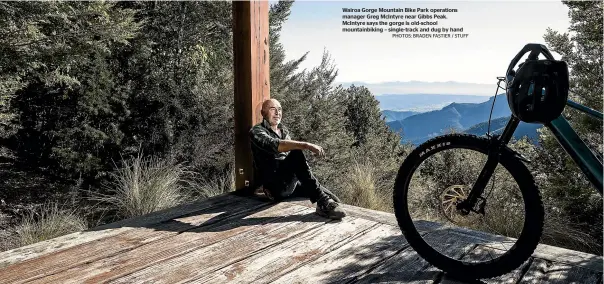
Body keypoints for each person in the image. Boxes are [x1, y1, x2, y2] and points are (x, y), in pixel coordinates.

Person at [249, 98, 347, 220]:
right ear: (263, 113)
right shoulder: (257, 131)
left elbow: (294, 163)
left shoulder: (284, 131)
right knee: (296, 153)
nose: (277, 113)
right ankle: (322, 202)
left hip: (289, 182)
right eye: (272, 109)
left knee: (332, 198)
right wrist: (306, 145)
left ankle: (322, 206)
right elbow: (275, 145)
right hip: (274, 186)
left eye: (279, 110)